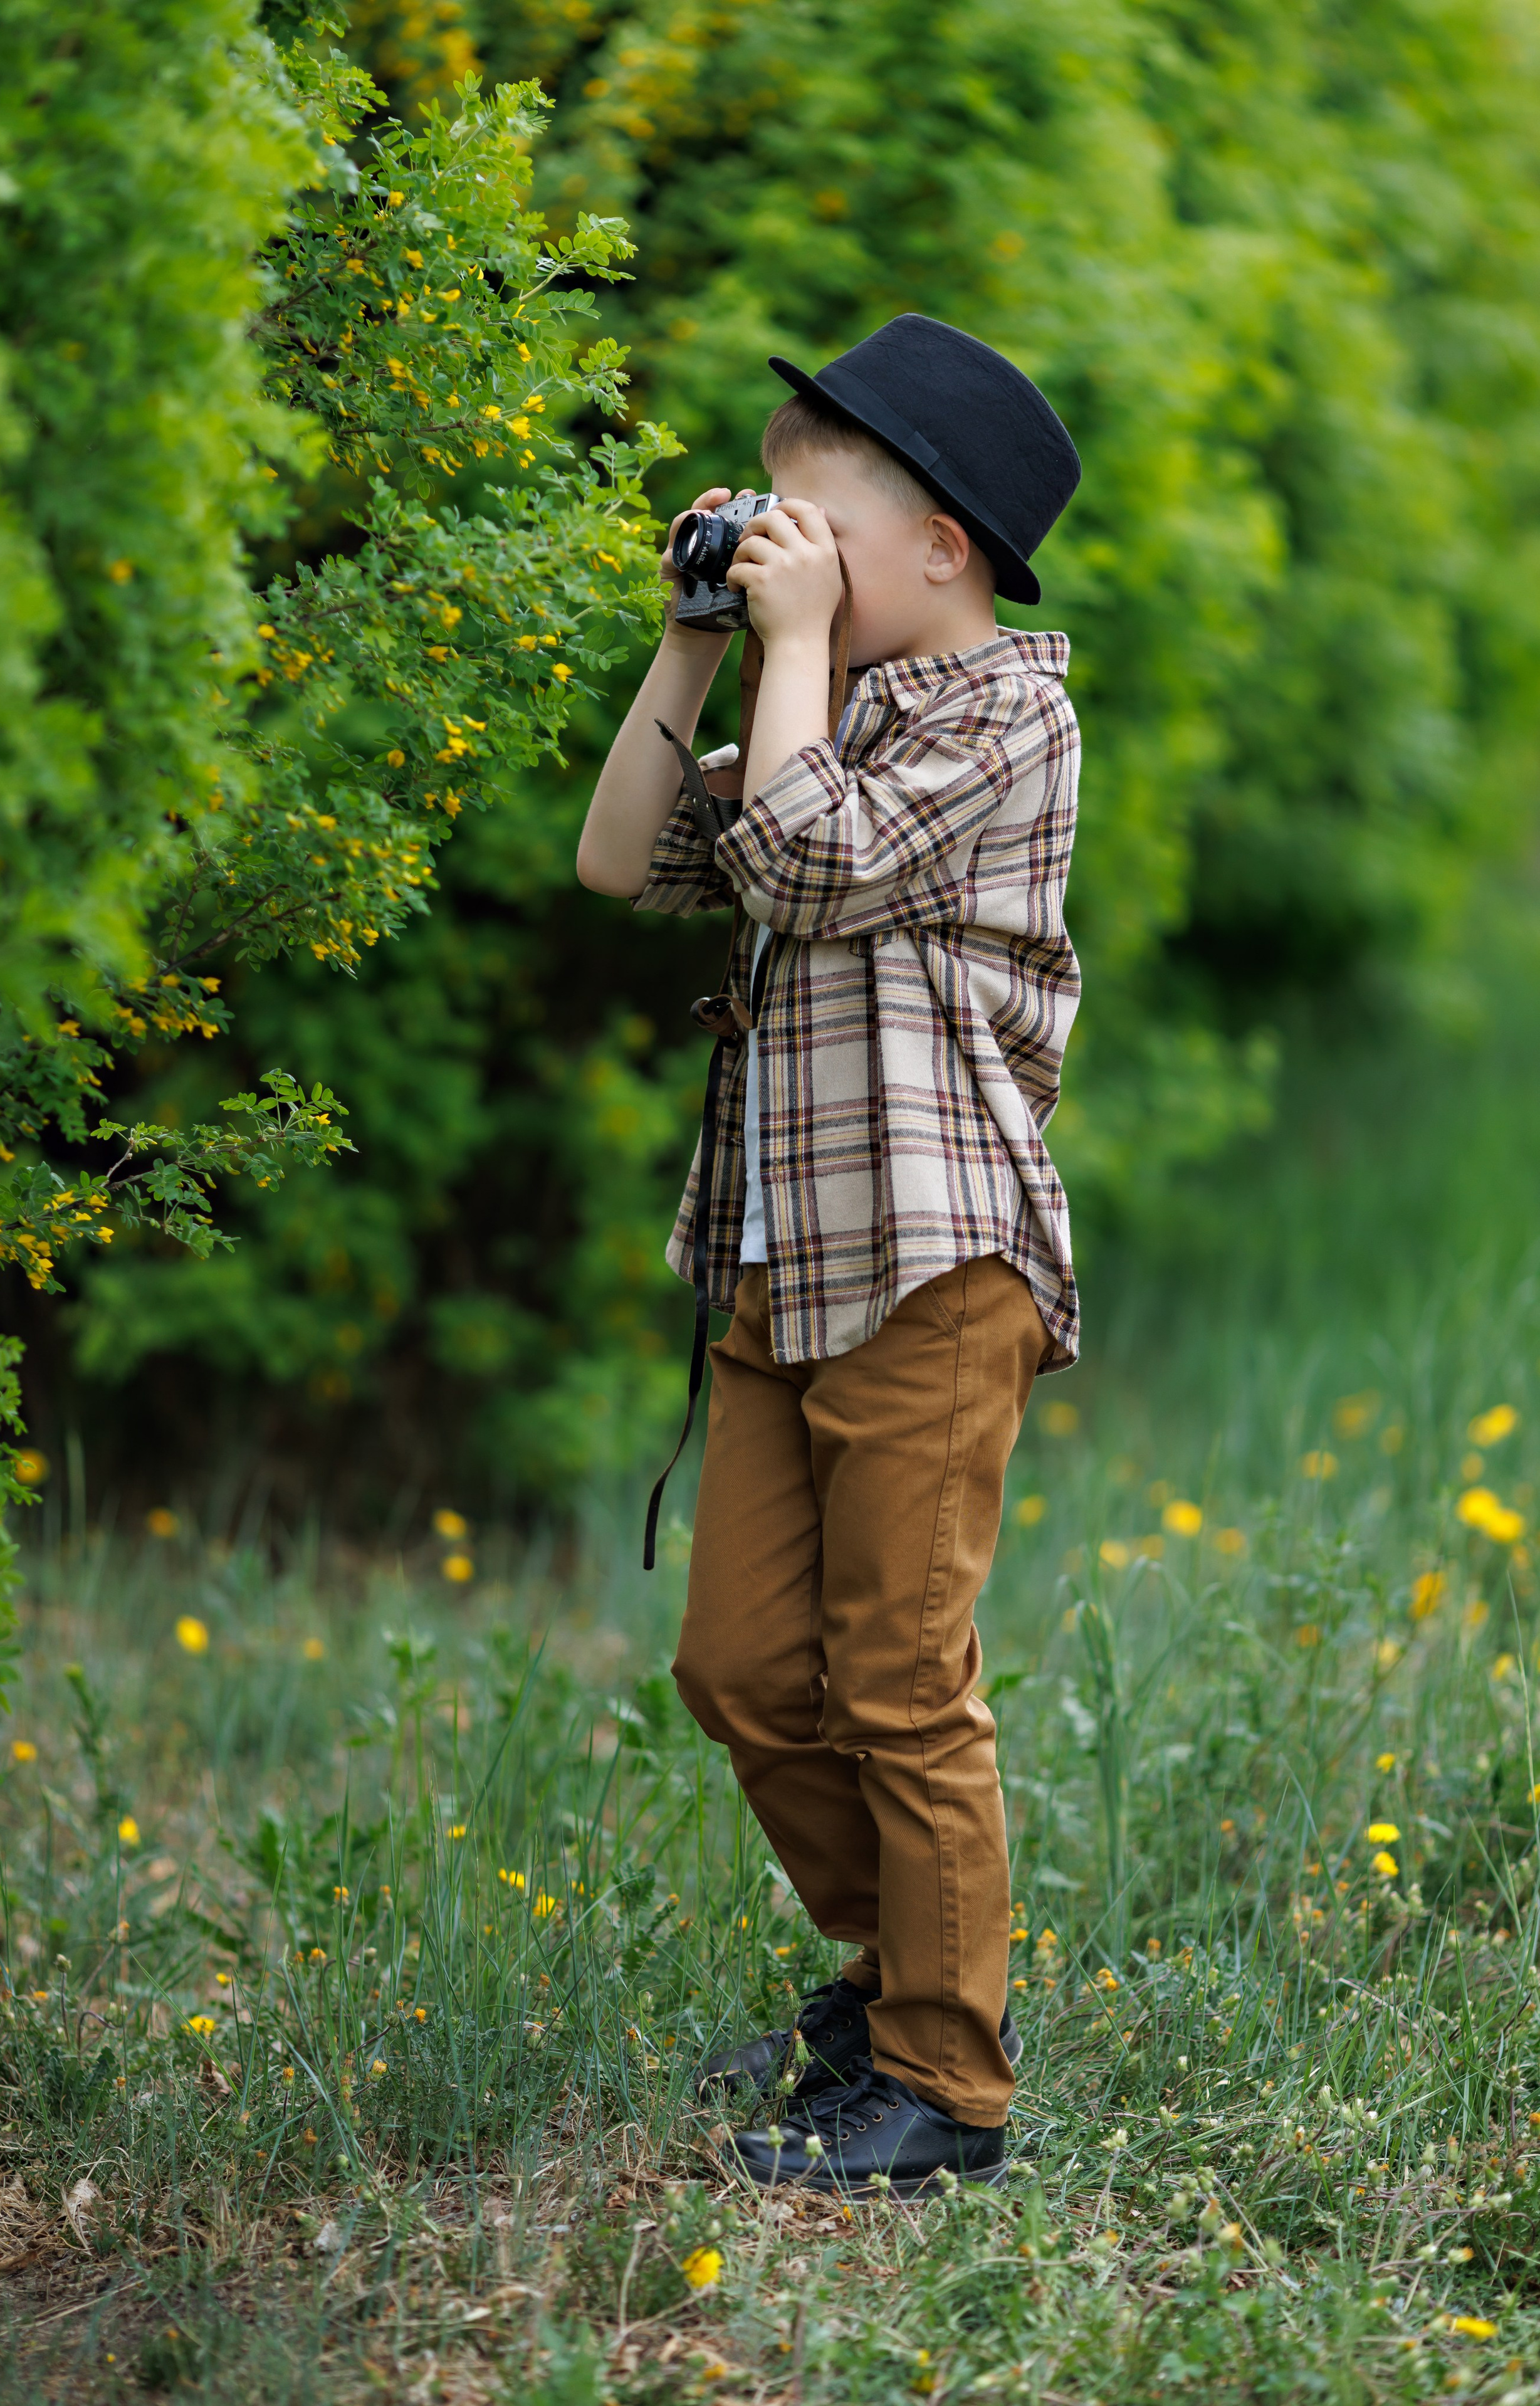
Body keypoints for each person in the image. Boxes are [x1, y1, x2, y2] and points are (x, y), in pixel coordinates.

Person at [576, 314, 1082, 2195]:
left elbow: (801, 864)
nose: (778, 552)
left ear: (941, 543)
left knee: (895, 1676)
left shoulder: (1013, 718)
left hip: (938, 1272)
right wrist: (696, 643)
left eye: (812, 526)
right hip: (784, 1267)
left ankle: (947, 2083)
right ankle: (903, 1980)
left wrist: (786, 655)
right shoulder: (823, 699)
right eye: (759, 527)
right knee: (736, 1665)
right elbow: (623, 858)